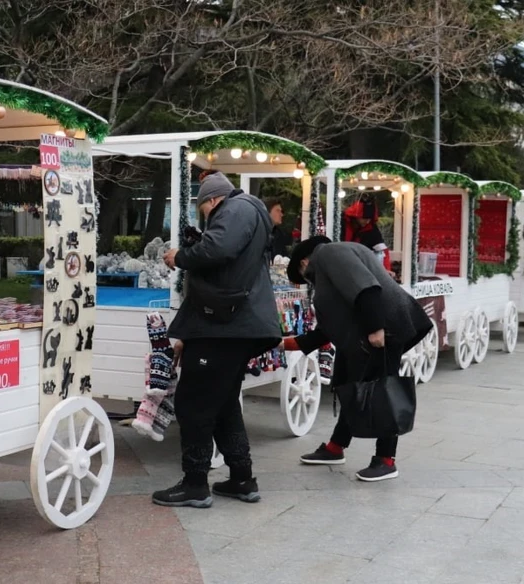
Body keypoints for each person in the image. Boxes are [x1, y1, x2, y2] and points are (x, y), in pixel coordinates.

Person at [154, 172, 281, 508]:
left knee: (193, 402)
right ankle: (242, 478)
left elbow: (218, 248)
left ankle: (195, 483)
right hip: (232, 325)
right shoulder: (248, 210)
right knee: (223, 403)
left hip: (225, 327)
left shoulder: (235, 208)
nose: (207, 218)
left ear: (211, 201)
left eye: (205, 211)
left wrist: (180, 257)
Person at [283, 237, 432, 481]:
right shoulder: (336, 255)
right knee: (351, 385)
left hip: (385, 328)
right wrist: (289, 344)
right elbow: (332, 325)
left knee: (385, 391)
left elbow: (366, 288)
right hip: (374, 331)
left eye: (304, 275)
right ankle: (336, 447)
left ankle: (386, 460)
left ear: (304, 261)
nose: (309, 280)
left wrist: (376, 328)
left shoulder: (329, 254)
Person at [343, 194, 392, 271]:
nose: (367, 221)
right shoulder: (343, 224)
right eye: (365, 218)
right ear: (357, 216)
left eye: (369, 219)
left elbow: (382, 250)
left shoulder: (371, 228)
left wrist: (386, 269)